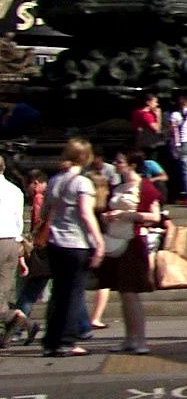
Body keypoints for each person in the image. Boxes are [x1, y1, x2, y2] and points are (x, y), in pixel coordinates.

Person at [42, 140, 105, 357]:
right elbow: (86, 214)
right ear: (85, 157)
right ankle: (67, 341)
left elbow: (45, 212)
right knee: (74, 293)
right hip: (76, 243)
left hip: (55, 242)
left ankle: (51, 340)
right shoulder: (82, 183)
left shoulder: (54, 180)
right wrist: (99, 241)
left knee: (58, 293)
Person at [100, 153, 162, 354]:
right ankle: (129, 338)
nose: (116, 165)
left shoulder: (144, 186)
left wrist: (126, 215)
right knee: (123, 292)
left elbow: (155, 216)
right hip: (115, 241)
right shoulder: (117, 187)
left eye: (119, 161)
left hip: (134, 242)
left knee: (131, 292)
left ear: (132, 164)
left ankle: (141, 340)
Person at [4, 170, 49, 348]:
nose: (28, 189)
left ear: (36, 183)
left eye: (30, 184)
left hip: (39, 250)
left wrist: (30, 240)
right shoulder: (21, 193)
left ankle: (19, 327)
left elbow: (39, 220)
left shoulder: (39, 199)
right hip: (39, 249)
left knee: (28, 293)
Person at [0, 164, 24, 347]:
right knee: (3, 290)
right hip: (12, 242)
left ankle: (13, 318)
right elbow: (19, 219)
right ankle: (18, 321)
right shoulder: (15, 190)